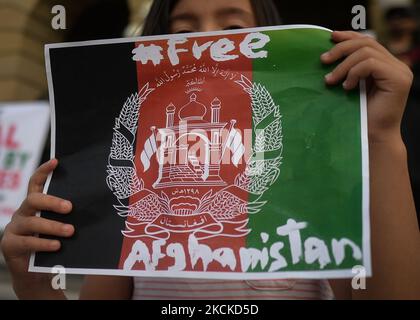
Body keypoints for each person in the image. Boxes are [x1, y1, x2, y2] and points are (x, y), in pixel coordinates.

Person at [1, 0, 420, 300]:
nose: (206, 41)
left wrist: (382, 137)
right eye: (182, 31)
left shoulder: (310, 181)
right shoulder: (137, 211)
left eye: (233, 28)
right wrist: (36, 285)